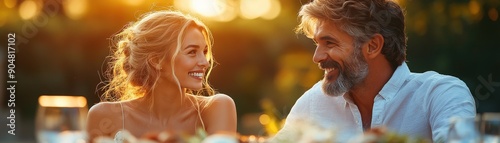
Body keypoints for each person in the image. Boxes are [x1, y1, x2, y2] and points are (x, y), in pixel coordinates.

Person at [274, 0, 476, 142]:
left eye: (330, 43)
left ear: (372, 46)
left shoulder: (441, 94)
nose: (317, 57)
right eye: (317, 44)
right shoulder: (313, 102)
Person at [86, 10, 237, 142]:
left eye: (204, 52)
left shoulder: (216, 108)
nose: (205, 62)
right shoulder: (103, 115)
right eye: (192, 52)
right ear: (156, 61)